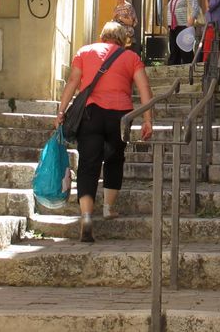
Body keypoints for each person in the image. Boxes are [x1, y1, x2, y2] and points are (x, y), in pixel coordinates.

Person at [56, 22, 154, 242]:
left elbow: (73, 82)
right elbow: (144, 88)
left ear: (102, 37)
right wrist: (148, 120)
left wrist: (61, 111)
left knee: (88, 165)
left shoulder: (85, 51)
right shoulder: (131, 58)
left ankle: (87, 216)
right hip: (120, 117)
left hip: (91, 115)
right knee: (115, 159)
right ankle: (109, 208)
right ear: (122, 39)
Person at [166, 0, 199, 65]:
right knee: (174, 50)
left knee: (185, 51)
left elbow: (195, 7)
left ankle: (190, 70)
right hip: (173, 27)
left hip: (184, 26)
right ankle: (173, 71)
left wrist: (191, 19)